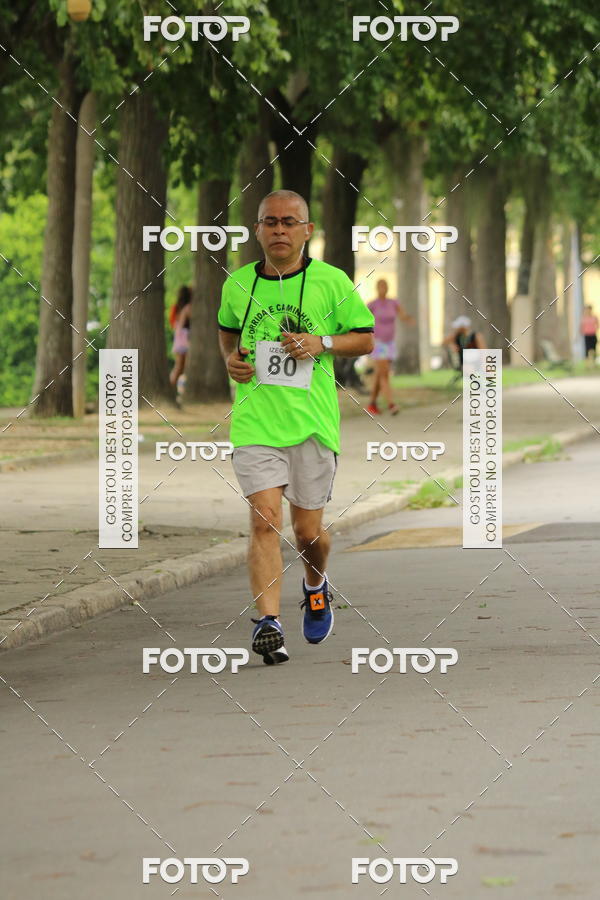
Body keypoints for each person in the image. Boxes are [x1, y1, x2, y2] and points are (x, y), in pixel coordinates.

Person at [217, 190, 374, 665]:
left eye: (289, 222)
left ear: (307, 230)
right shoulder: (238, 285)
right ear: (258, 230)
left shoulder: (331, 281)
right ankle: (268, 622)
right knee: (264, 520)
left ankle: (315, 584)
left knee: (308, 534)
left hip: (312, 426)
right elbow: (227, 330)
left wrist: (321, 341)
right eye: (270, 222)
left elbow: (365, 338)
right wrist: (231, 360)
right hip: (255, 424)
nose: (279, 230)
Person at [366, 279, 414, 415]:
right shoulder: (372, 304)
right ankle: (391, 404)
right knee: (385, 374)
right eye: (381, 286)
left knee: (379, 374)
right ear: (377, 288)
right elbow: (361, 318)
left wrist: (408, 319)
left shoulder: (393, 303)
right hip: (378, 343)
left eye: (385, 286)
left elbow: (402, 315)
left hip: (390, 343)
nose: (383, 289)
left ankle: (372, 404)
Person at [169, 285, 192, 387]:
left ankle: (171, 386)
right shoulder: (188, 308)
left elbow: (174, 324)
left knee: (179, 366)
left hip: (178, 338)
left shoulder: (177, 308)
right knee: (185, 366)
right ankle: (178, 387)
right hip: (185, 338)